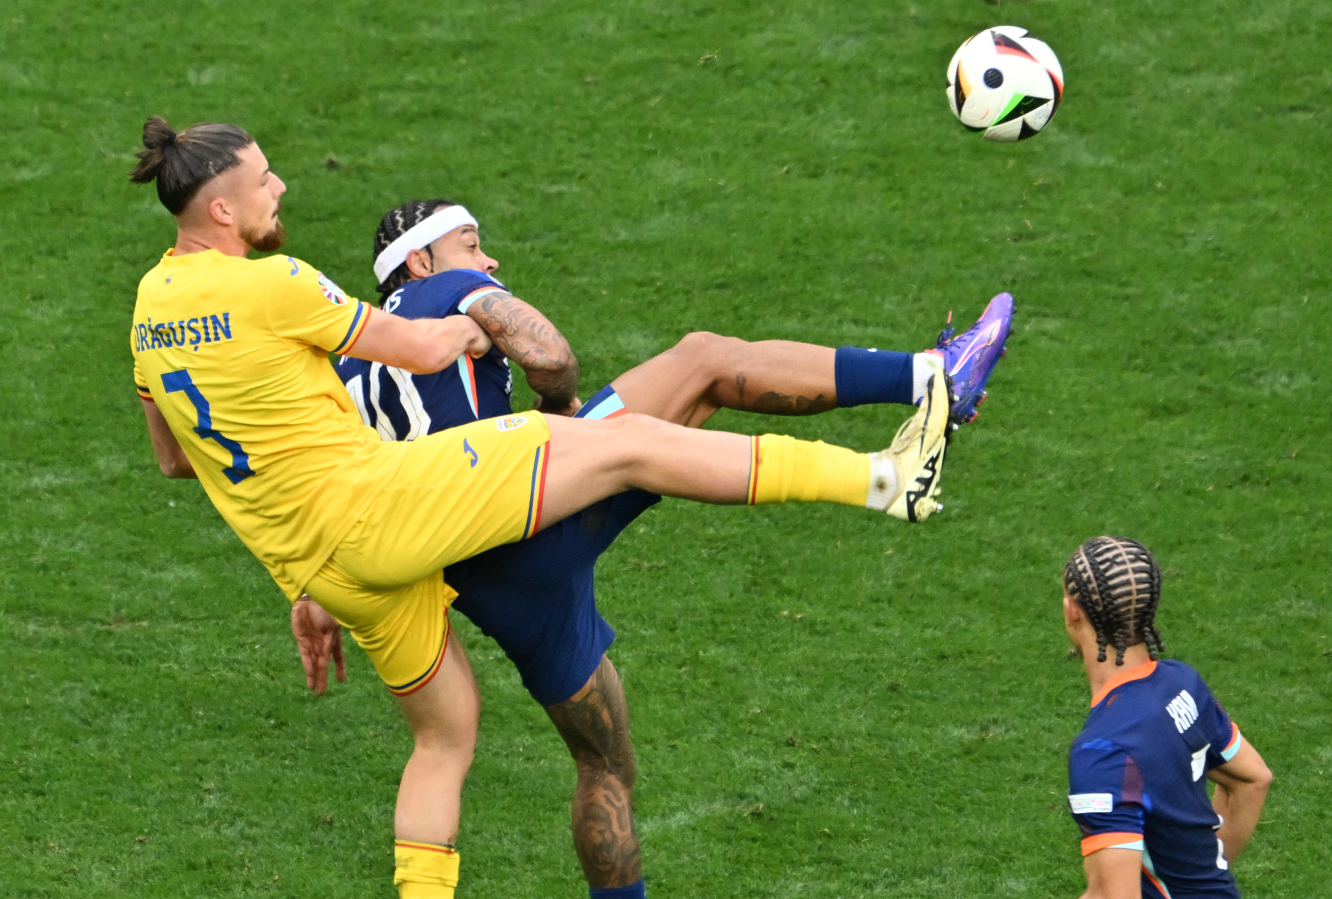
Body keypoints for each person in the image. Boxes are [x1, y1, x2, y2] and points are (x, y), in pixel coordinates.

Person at [127, 117, 952, 899]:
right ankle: (885, 476)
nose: (280, 187)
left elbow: (173, 457)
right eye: (265, 177)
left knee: (445, 738)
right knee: (632, 439)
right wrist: (473, 336)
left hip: (332, 573)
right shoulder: (280, 284)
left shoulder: (148, 312)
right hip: (398, 510)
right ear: (223, 208)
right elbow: (430, 349)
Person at [292, 198, 1014, 899]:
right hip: (525, 511)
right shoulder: (440, 294)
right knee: (701, 362)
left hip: (482, 582)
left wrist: (315, 595)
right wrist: (558, 409)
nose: (490, 260)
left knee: (602, 761)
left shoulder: (344, 366)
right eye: (472, 244)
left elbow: (336, 497)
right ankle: (930, 379)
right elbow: (548, 355)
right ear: (420, 262)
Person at [1061, 537, 1272, 899]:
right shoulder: (1182, 684)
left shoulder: (1104, 750)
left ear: (1071, 611)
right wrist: (1200, 878)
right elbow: (1252, 780)